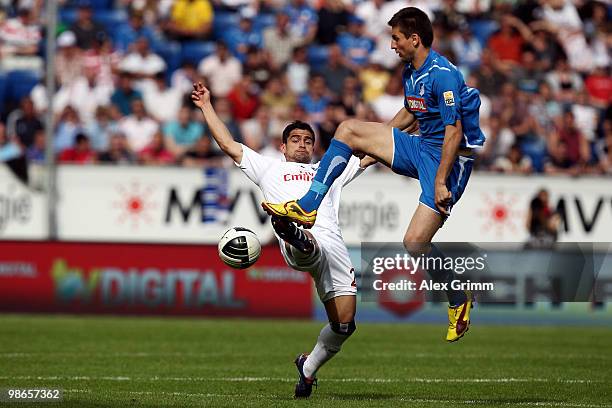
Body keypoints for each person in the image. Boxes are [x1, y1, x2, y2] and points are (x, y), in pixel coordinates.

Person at [262, 7, 486, 343]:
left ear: (415, 38)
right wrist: (375, 146)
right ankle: (308, 205)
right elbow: (412, 111)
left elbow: (454, 132)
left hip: (449, 163)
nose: (392, 45)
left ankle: (458, 298)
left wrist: (439, 182)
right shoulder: (412, 71)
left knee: (414, 243)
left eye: (396, 38)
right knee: (350, 130)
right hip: (422, 146)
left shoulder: (444, 74)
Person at [192, 82, 372, 398]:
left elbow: (374, 152)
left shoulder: (328, 170)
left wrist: (416, 116)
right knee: (307, 244)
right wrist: (206, 104)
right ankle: (291, 229)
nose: (302, 144)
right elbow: (227, 143)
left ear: (314, 148)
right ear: (283, 147)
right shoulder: (269, 168)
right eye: (295, 140)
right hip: (302, 245)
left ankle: (308, 367)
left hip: (335, 249)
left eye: (307, 141)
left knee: (345, 324)